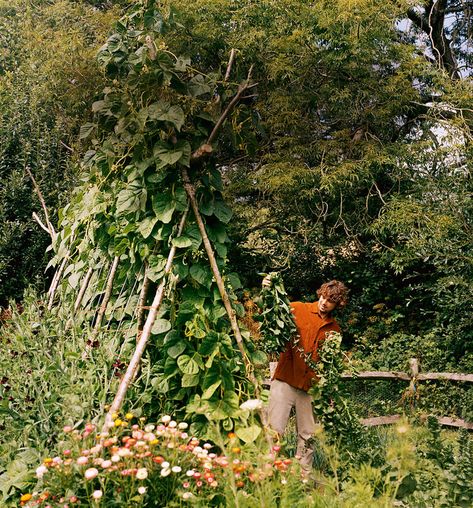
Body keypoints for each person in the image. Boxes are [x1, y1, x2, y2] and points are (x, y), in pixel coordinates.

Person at [265, 278, 349, 472]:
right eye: (324, 296)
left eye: (330, 301)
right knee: (274, 430)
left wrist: (327, 392)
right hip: (285, 378)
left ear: (337, 304)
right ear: (320, 293)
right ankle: (268, 474)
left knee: (307, 435)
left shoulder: (334, 330)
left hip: (311, 387)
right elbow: (271, 308)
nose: (324, 302)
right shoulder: (296, 309)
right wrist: (268, 287)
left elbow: (329, 365)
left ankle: (303, 479)